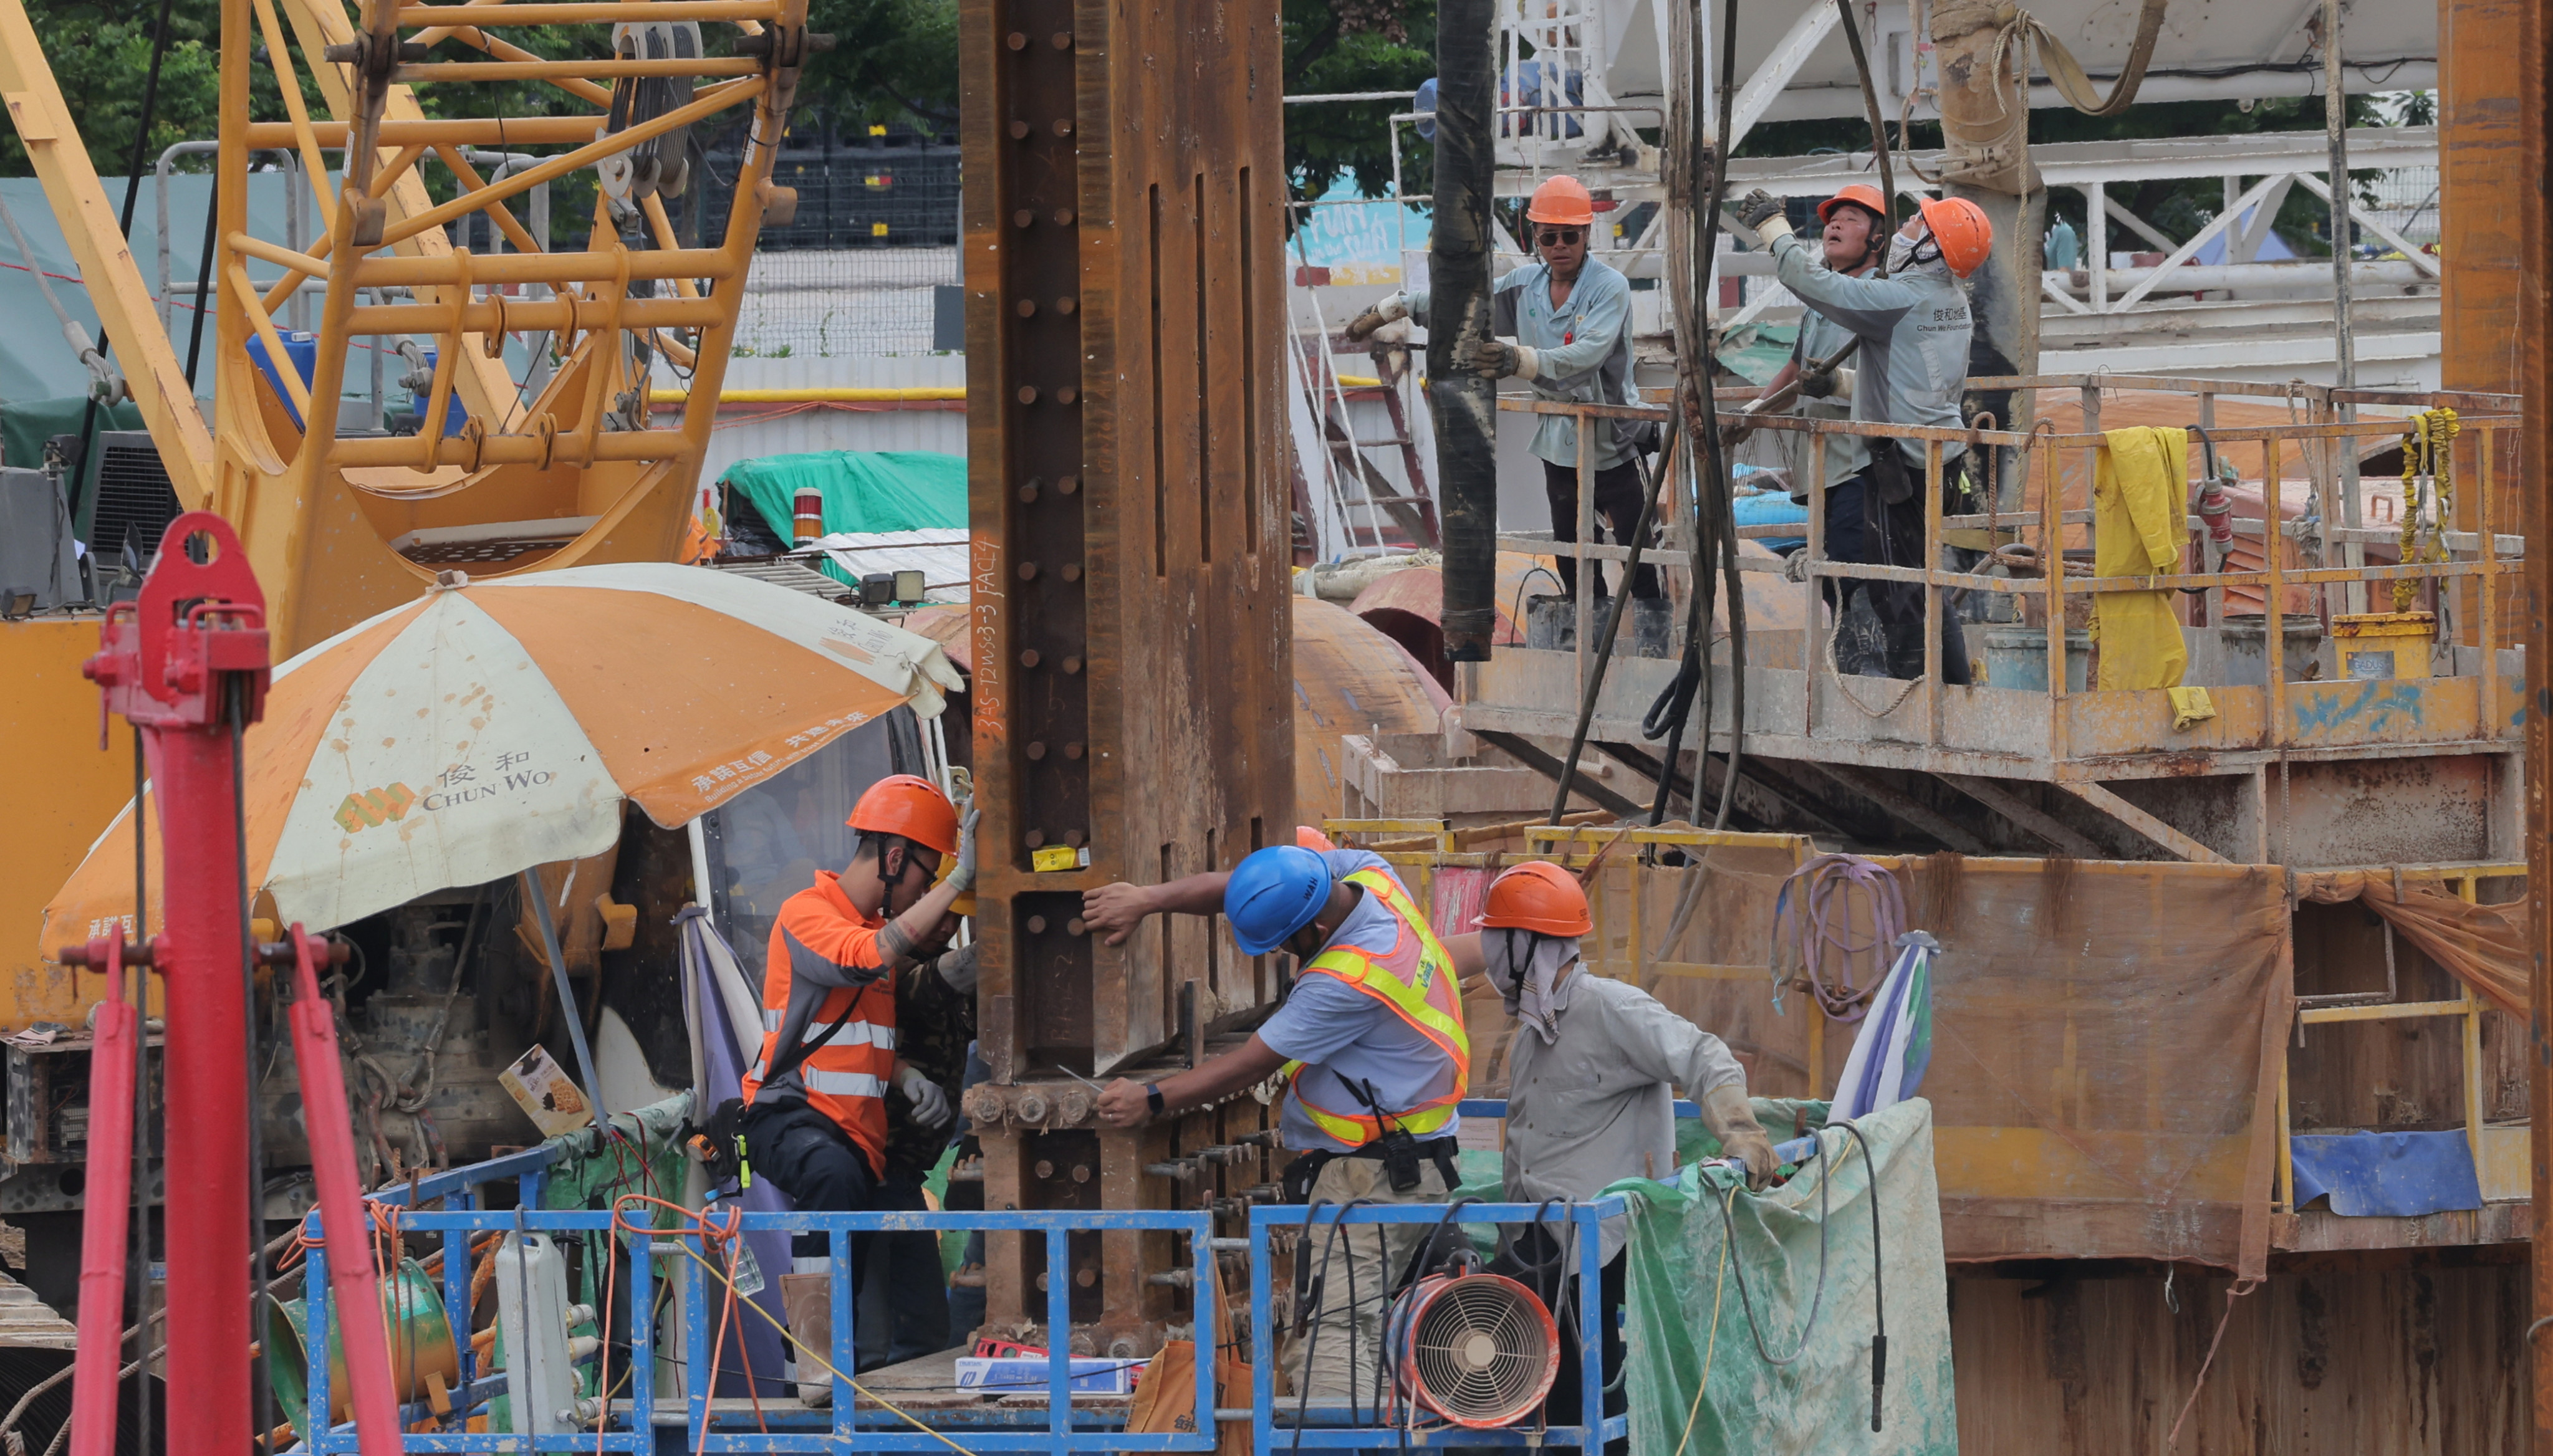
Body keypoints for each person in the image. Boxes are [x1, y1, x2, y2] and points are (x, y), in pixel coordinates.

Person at [1083, 843, 1467, 1402]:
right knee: (1351, 1326)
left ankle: (1339, 1442)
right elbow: (1248, 885)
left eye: (1287, 941)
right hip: (1412, 1160)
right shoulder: (1371, 879)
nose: (1285, 954)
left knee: (1335, 1337)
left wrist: (1152, 1098)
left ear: (1315, 926)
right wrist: (1147, 900)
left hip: (1376, 1183)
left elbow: (1250, 1063)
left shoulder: (1345, 980)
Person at [1441, 861, 1776, 1450]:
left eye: (1497, 940)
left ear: (1526, 947)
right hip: (1538, 1239)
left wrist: (1742, 1133)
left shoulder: (1611, 1008)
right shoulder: (1533, 1031)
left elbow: (1704, 1056)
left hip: (1600, 1246)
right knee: (1520, 1378)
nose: (1489, 954)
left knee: (1589, 1393)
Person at [740, 774, 975, 1397]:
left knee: (863, 1203)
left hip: (856, 1136)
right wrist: (958, 882)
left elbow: (857, 1034)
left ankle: (844, 1367)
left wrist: (909, 1075)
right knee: (834, 1178)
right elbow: (862, 956)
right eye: (927, 875)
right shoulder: (807, 914)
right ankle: (811, 1361)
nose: (928, 890)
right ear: (895, 858)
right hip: (789, 1114)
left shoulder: (873, 936)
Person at [1345, 174, 1652, 603]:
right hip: (1560, 442)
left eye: (1569, 235)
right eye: (1549, 237)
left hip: (1614, 440)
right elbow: (1464, 304)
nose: (1559, 245)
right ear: (1535, 239)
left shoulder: (1608, 288)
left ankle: (1654, 643)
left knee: (1641, 558)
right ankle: (1584, 632)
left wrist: (1518, 360)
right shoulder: (1526, 286)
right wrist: (1396, 306)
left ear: (1586, 235)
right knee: (1571, 552)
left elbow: (1587, 355)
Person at [1738, 185, 1993, 682]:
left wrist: (1773, 227)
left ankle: (1898, 690)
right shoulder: (1949, 301)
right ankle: (1953, 688)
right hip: (1936, 456)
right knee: (1919, 585)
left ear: (1932, 249)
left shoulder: (1898, 298)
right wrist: (1830, 383)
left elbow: (1806, 279)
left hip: (1899, 462)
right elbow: (1907, 376)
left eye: (1917, 226)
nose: (1906, 229)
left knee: (1892, 589)